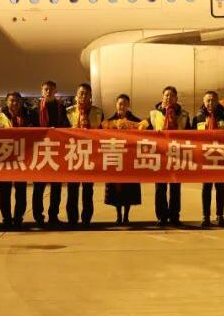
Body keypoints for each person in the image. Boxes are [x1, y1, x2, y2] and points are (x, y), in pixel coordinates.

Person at [148, 86, 191, 226]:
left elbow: (191, 134)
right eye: (166, 95)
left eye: (172, 95)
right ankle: (161, 217)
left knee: (175, 188)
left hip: (177, 154)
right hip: (160, 155)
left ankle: (174, 216)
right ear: (162, 97)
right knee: (160, 188)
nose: (169, 98)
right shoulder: (154, 114)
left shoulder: (183, 115)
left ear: (176, 98)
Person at [193, 90, 224, 227]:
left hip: (221, 156)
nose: (210, 103)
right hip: (205, 157)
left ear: (218, 101)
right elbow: (191, 137)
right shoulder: (198, 117)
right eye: (208, 100)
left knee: (220, 187)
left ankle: (220, 215)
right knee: (206, 187)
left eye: (213, 100)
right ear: (204, 102)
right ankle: (205, 216)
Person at [31, 80, 69, 226]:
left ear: (56, 91)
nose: (48, 92)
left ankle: (53, 215)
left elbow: (66, 126)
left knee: (56, 187)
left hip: (56, 152)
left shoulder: (62, 108)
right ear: (42, 91)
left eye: (51, 89)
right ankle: (38, 217)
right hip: (40, 152)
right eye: (46, 89)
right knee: (38, 187)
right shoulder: (35, 110)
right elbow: (30, 129)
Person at [103, 94, 144, 225]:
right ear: (116, 105)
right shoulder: (108, 122)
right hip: (115, 158)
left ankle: (126, 215)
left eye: (125, 104)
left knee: (129, 188)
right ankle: (118, 215)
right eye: (120, 103)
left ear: (128, 105)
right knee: (116, 188)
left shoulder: (136, 121)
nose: (122, 106)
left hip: (129, 159)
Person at [66, 83, 104, 226]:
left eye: (86, 93)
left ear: (90, 96)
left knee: (88, 190)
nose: (83, 96)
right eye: (81, 93)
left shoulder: (98, 112)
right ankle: (72, 219)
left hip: (90, 155)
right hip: (73, 154)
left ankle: (86, 219)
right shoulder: (68, 111)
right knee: (72, 190)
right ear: (77, 95)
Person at [0, 91, 29, 229]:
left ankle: (18, 218)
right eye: (11, 100)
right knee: (4, 192)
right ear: (6, 102)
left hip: (22, 159)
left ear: (20, 103)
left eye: (17, 101)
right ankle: (6, 218)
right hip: (5, 160)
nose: (14, 103)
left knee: (21, 192)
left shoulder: (27, 116)